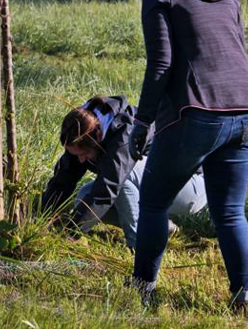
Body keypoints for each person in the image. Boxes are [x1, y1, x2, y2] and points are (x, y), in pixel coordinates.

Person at [126, 0, 248, 310]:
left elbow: (160, 64)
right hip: (247, 110)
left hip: (200, 112)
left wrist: (142, 123)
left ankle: (142, 289)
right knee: (230, 211)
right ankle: (244, 297)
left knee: (153, 202)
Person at [40, 96, 207, 249]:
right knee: (83, 198)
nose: (81, 160)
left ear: (98, 135)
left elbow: (108, 188)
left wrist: (70, 233)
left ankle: (141, 248)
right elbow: (63, 180)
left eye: (84, 155)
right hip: (156, 182)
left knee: (122, 179)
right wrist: (42, 217)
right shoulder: (81, 132)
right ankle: (160, 227)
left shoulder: (124, 133)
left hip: (190, 184)